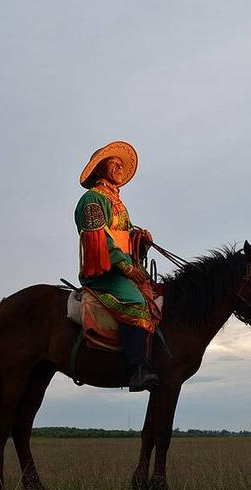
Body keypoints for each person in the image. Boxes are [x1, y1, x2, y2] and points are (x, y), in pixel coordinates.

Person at [74, 141, 159, 392]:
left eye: (121, 164)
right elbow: (100, 239)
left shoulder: (118, 204)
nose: (120, 167)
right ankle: (138, 370)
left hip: (122, 268)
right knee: (136, 302)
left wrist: (139, 239)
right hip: (104, 272)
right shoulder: (92, 199)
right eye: (114, 163)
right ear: (99, 170)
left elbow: (125, 235)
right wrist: (126, 267)